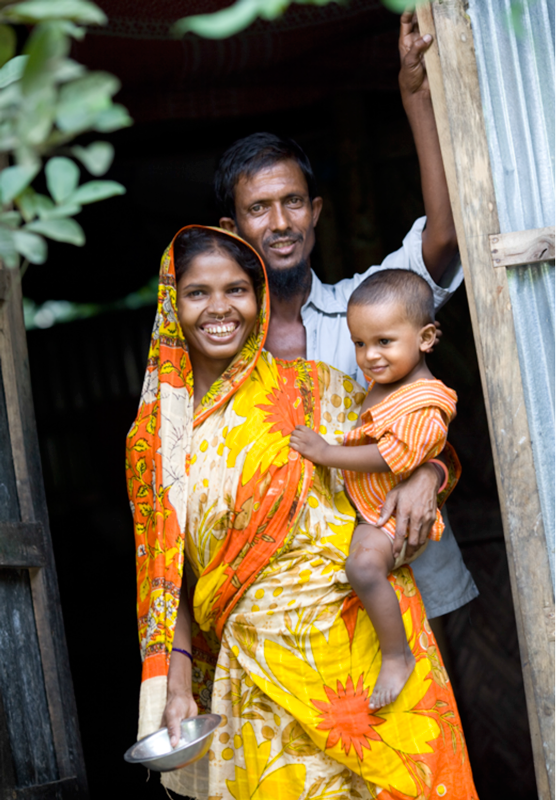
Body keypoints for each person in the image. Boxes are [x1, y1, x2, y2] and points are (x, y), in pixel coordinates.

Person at [126, 224, 478, 799]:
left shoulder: (318, 388)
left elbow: (412, 444)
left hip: (368, 655)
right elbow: (169, 579)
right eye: (197, 293)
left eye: (236, 290)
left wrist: (431, 477)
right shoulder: (156, 440)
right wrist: (178, 681)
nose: (220, 309)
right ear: (172, 303)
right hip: (260, 675)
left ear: (259, 297)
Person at [214, 12, 478, 623]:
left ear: (316, 213)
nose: (280, 223)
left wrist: (415, 97)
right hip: (287, 606)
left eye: (294, 202)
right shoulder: (219, 352)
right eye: (259, 208)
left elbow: (443, 237)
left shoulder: (369, 307)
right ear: (231, 231)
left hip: (397, 570)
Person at [290, 269, 460, 712]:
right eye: (360, 344)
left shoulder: (425, 400)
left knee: (363, 569)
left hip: (390, 517)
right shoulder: (388, 384)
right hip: (370, 510)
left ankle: (397, 655)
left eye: (384, 342)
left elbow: (392, 458)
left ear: (426, 338)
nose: (369, 356)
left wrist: (326, 454)